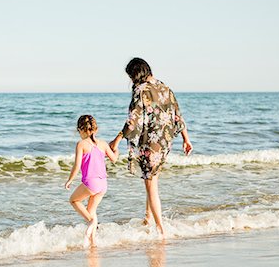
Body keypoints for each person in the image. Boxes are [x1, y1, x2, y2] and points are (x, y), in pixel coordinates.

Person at [109, 58, 193, 238]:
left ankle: (161, 229)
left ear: (136, 74)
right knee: (152, 180)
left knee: (151, 184)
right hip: (164, 143)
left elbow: (133, 121)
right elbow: (178, 116)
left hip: (150, 144)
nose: (131, 81)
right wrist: (186, 139)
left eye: (131, 76)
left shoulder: (141, 91)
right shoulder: (165, 88)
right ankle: (148, 219)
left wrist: (116, 141)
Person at [65, 115, 119, 246]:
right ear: (95, 129)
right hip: (103, 184)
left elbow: (77, 166)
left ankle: (91, 222)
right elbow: (114, 159)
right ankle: (93, 242)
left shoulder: (81, 144)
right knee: (92, 211)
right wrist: (116, 149)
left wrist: (69, 180)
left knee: (73, 200)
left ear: (81, 129)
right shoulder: (103, 144)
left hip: (91, 183)